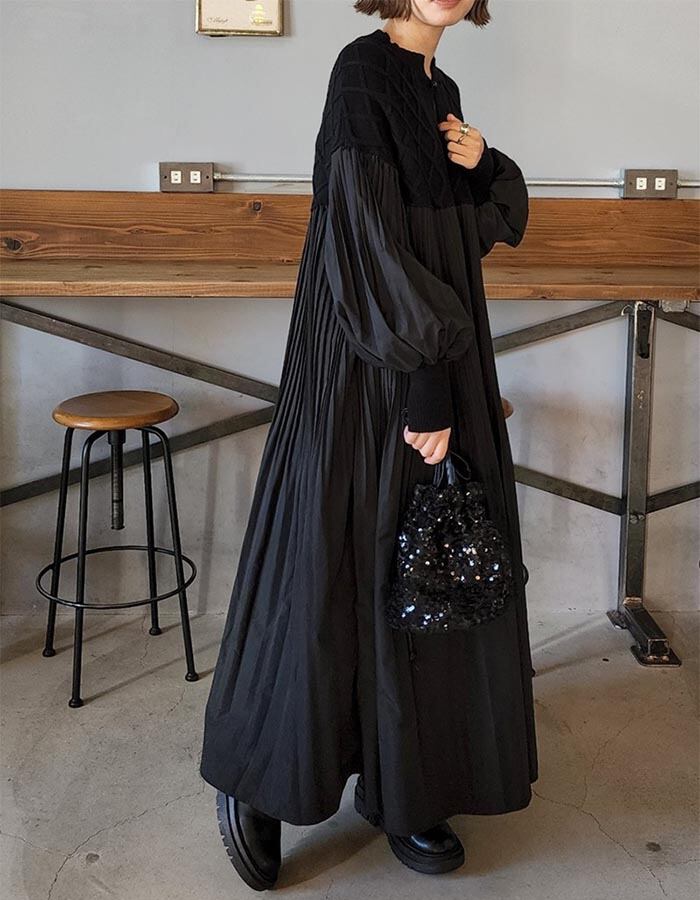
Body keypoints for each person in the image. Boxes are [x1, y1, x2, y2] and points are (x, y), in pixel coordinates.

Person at [200, 0, 538, 889]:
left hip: (432, 351)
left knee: (423, 562)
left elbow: (468, 231)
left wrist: (487, 164)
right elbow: (361, 238)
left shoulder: (442, 89)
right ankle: (262, 778)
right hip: (366, 359)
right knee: (328, 549)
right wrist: (424, 377)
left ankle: (409, 786)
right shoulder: (362, 72)